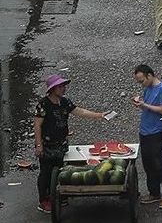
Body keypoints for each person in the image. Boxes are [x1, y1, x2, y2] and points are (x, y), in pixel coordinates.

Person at [33, 74, 107, 214]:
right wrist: (39, 145)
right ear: (52, 89)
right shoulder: (43, 104)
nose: (63, 89)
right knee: (46, 173)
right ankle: (44, 201)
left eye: (64, 86)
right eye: (60, 87)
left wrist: (98, 115)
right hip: (47, 145)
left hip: (61, 144)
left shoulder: (65, 102)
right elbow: (37, 126)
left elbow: (79, 111)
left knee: (60, 170)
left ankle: (57, 196)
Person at [132, 63, 162, 207]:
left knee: (160, 163)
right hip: (145, 131)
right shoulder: (148, 88)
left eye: (142, 80)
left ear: (149, 75)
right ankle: (154, 192)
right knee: (148, 164)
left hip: (157, 132)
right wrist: (141, 102)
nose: (142, 84)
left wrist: (144, 105)